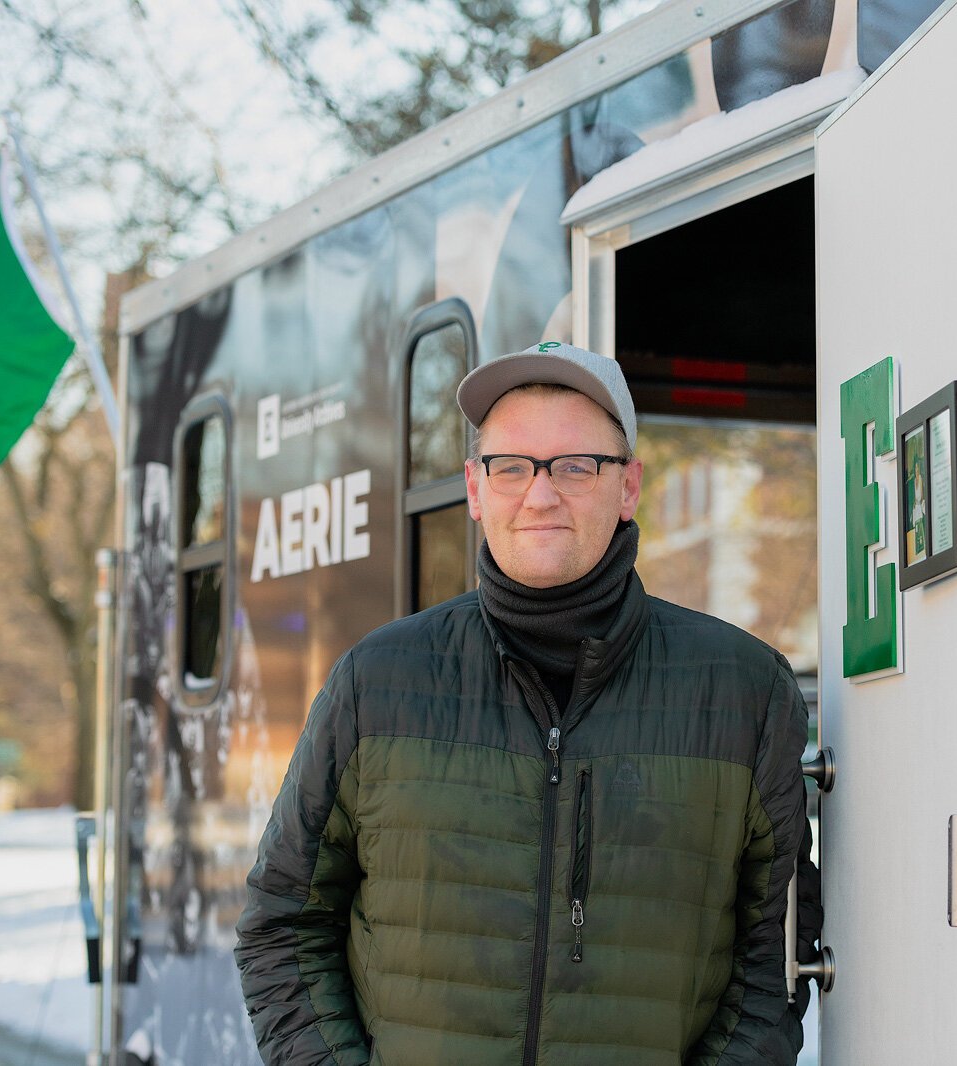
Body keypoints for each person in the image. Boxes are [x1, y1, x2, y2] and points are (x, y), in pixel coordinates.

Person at [236, 341, 815, 1065]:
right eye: (510, 466)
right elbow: (283, 925)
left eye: (576, 466)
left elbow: (774, 963)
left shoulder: (743, 689)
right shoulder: (377, 681)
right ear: (476, 491)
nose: (540, 494)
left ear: (628, 486)